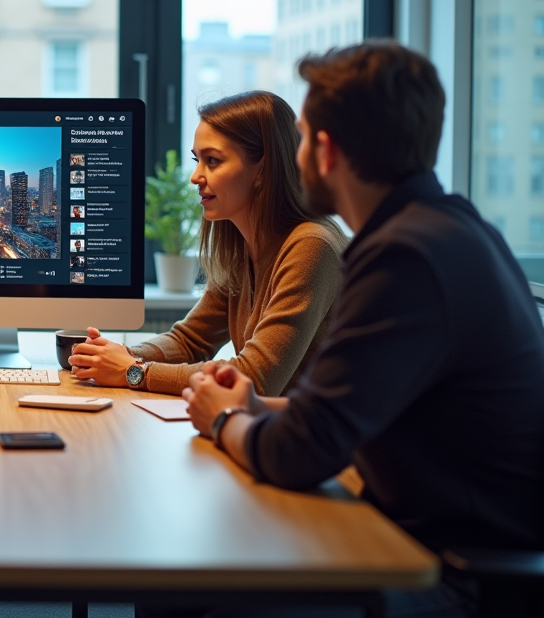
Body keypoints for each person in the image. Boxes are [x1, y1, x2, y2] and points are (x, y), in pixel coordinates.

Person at [185, 42, 544, 617]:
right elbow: (340, 415)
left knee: (200, 594)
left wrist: (224, 420)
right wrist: (254, 405)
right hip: (421, 535)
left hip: (452, 575)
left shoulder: (404, 259)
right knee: (186, 588)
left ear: (326, 152)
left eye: (303, 139)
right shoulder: (448, 228)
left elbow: (302, 450)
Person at [71, 91, 347, 397]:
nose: (195, 177)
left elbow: (255, 378)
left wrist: (134, 372)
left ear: (263, 169)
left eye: (212, 161)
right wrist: (118, 356)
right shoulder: (241, 244)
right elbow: (191, 341)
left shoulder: (312, 247)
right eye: (197, 160)